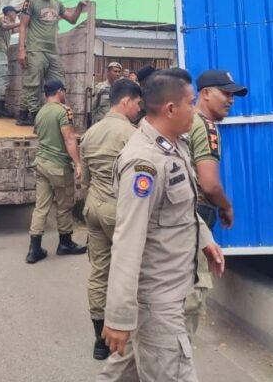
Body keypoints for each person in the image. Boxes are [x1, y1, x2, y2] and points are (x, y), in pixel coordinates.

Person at [97, 68, 225, 382]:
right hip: (157, 302)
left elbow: (181, 207)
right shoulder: (145, 164)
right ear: (170, 109)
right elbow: (127, 242)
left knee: (121, 375)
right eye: (191, 103)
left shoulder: (174, 145)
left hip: (171, 289)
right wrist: (119, 318)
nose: (194, 110)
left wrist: (205, 239)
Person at [79, 79, 142, 360]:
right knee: (130, 273)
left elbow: (86, 178)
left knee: (99, 273)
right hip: (121, 212)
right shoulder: (133, 134)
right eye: (138, 104)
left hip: (93, 207)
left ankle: (98, 341)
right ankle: (130, 334)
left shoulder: (90, 133)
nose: (139, 109)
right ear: (126, 102)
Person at [184, 70, 248, 340]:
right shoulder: (206, 126)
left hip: (178, 211)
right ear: (206, 93)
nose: (231, 100)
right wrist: (226, 206)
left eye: (233, 94)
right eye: (226, 93)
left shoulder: (184, 121)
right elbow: (209, 184)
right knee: (190, 293)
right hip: (195, 213)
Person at [25, 79, 87, 263]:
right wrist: (78, 163)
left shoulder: (41, 111)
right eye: (64, 91)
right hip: (58, 166)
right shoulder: (63, 111)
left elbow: (39, 132)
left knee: (40, 207)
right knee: (64, 205)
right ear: (60, 91)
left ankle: (34, 249)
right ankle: (65, 243)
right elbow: (68, 139)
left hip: (41, 163)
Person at [16, 0, 88, 126]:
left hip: (52, 51)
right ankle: (35, 117)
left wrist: (80, 7)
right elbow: (22, 25)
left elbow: (72, 19)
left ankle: (52, 114)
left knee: (58, 83)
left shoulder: (58, 4)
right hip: (35, 48)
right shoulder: (31, 2)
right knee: (33, 83)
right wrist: (21, 50)